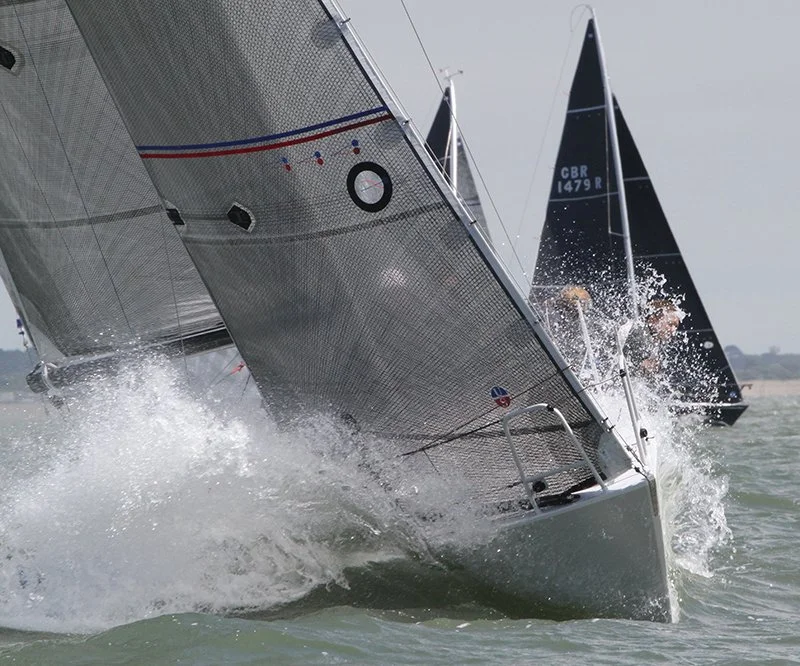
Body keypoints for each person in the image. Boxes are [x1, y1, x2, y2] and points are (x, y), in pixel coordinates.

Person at [622, 299, 683, 376]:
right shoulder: (640, 336)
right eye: (670, 324)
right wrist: (641, 365)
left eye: (676, 326)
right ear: (653, 320)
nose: (673, 330)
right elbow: (625, 366)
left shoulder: (654, 338)